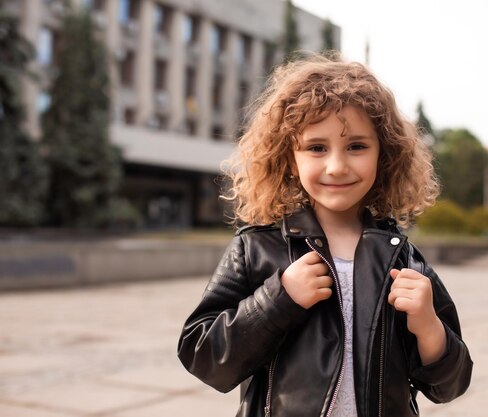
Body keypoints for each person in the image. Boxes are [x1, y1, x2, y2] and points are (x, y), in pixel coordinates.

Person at [177, 54, 472, 417]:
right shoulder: (256, 248)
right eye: (317, 147)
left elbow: (450, 386)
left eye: (357, 146)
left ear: (385, 156)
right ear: (289, 157)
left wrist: (428, 325)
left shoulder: (403, 259)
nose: (337, 166)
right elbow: (203, 356)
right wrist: (278, 299)